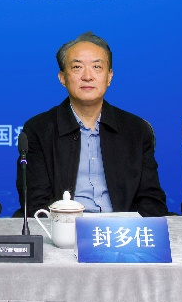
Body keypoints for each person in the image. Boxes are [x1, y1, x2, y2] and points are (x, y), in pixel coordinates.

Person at [20, 32, 168, 216]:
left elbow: (151, 199)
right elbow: (36, 202)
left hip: (122, 230)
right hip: (65, 228)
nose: (88, 76)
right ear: (62, 78)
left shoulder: (136, 129)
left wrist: (126, 228)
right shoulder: (38, 129)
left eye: (97, 67)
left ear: (109, 76)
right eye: (77, 67)